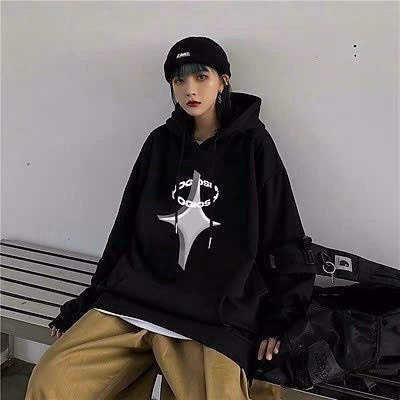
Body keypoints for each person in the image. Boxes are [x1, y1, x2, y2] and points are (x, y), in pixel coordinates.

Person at [25, 36, 315, 400]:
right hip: (137, 299)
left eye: (201, 77)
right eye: (180, 80)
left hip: (214, 315)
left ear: (223, 80)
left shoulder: (254, 145)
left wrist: (282, 317)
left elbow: (282, 232)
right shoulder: (160, 143)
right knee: (51, 381)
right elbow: (125, 230)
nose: (190, 89)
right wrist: (90, 298)